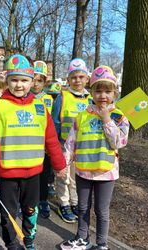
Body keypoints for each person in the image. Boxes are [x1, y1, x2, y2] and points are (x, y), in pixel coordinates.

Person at [0, 54, 66, 250]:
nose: (19, 85)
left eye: (24, 80)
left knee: (30, 210)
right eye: (14, 80)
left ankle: (29, 239)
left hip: (34, 174)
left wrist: (59, 164)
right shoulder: (0, 106)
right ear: (7, 81)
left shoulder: (40, 107)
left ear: (32, 81)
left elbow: (51, 139)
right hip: (8, 175)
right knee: (8, 214)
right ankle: (12, 244)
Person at [60, 66, 129, 250]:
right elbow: (70, 143)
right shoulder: (82, 116)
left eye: (108, 91)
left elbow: (119, 142)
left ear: (115, 92)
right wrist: (62, 165)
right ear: (91, 92)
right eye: (98, 91)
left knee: (101, 211)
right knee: (82, 208)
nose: (103, 96)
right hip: (83, 170)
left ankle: (101, 244)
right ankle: (82, 238)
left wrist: (107, 120)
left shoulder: (119, 117)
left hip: (106, 173)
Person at [52, 58, 93, 223]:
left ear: (87, 78)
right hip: (64, 145)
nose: (77, 81)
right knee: (63, 175)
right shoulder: (62, 97)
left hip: (82, 146)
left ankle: (75, 202)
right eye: (73, 77)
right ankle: (64, 203)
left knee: (77, 176)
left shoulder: (91, 99)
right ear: (68, 79)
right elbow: (55, 121)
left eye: (81, 77)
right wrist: (53, 145)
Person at [31, 60, 54, 219]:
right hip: (29, 144)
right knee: (30, 174)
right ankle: (29, 201)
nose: (36, 84)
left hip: (44, 144)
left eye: (39, 80)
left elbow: (52, 122)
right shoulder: (25, 97)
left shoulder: (50, 100)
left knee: (44, 173)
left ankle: (43, 199)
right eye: (33, 79)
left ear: (44, 82)